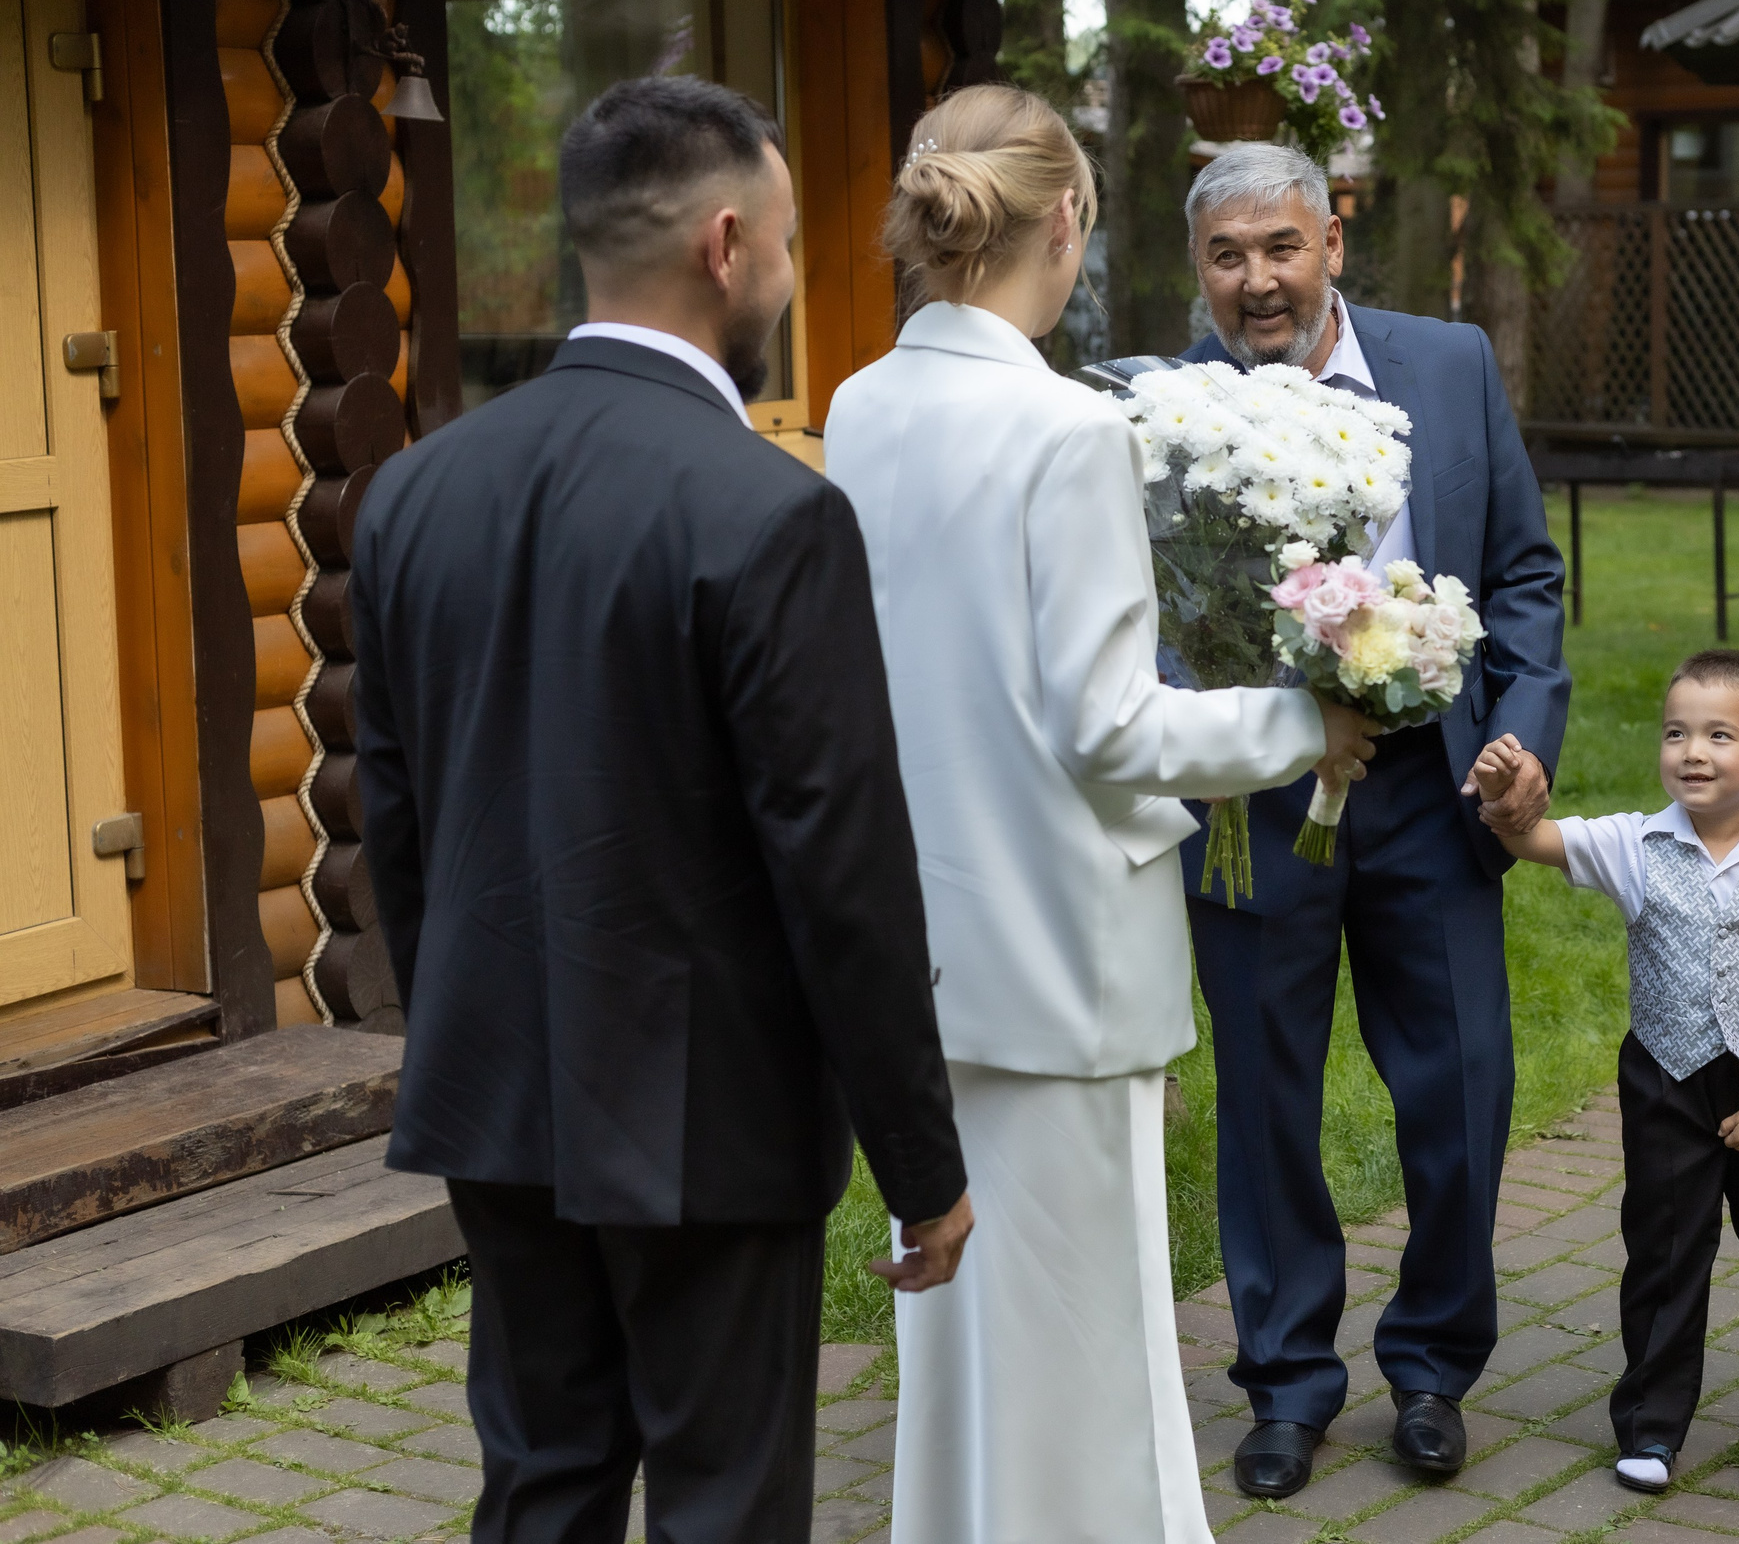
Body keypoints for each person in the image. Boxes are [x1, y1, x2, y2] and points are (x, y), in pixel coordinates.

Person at [351, 76, 972, 1544]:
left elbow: (397, 815)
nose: (793, 270)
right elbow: (842, 867)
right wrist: (923, 1162)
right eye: (792, 240)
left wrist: (460, 1017)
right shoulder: (771, 511)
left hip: (495, 1080)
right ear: (725, 241)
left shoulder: (413, 493)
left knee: (544, 1474)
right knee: (724, 1498)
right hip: (711, 1118)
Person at [824, 86, 1376, 1544]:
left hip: (922, 941)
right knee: (1086, 1346)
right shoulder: (1069, 430)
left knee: (958, 1351)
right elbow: (1111, 723)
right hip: (1062, 946)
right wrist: (1299, 721)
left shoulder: (862, 402)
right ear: (1065, 219)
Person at [1173, 143, 1570, 1499]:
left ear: (1330, 238)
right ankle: (1285, 1379)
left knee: (1460, 1085)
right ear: (1201, 270)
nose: (1257, 280)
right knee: (1268, 1097)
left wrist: (1524, 744)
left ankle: (1436, 1365)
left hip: (1429, 788)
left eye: (1279, 246)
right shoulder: (1166, 406)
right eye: (1227, 256)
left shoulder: (1447, 362)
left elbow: (1521, 571)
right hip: (1256, 803)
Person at [1470, 650, 1739, 1497]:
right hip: (1664, 1081)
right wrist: (1502, 797)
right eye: (1677, 733)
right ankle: (1649, 1423)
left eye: (1720, 734)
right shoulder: (1636, 844)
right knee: (1666, 1249)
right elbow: (1534, 838)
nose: (1694, 751)